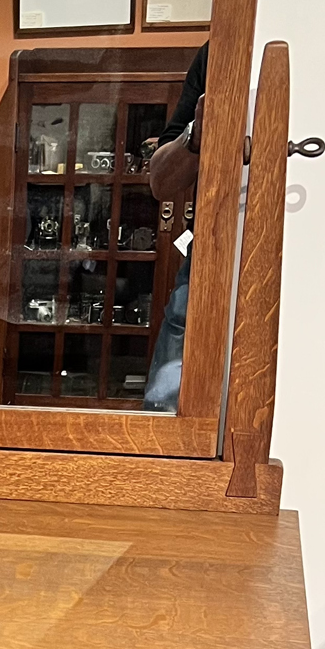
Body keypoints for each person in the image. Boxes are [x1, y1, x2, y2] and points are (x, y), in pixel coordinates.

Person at [142, 43, 207, 411]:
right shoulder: (218, 52)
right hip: (205, 256)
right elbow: (161, 183)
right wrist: (196, 135)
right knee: (164, 412)